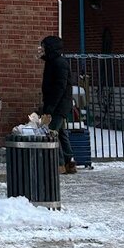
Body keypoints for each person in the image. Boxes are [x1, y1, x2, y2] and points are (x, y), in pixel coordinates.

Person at [39, 35, 77, 175]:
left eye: (43, 46)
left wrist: (49, 108)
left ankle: (59, 164)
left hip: (58, 105)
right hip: (60, 104)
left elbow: (59, 88)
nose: (41, 49)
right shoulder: (53, 62)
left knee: (52, 133)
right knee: (61, 133)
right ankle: (69, 162)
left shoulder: (58, 63)